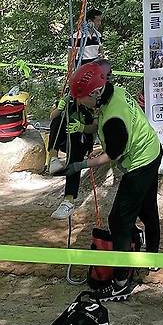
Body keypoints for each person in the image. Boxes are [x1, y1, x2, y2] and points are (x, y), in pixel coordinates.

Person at [61, 62, 162, 301]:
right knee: (146, 209)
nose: (79, 102)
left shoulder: (114, 118)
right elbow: (100, 121)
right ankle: (152, 256)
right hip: (151, 150)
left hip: (141, 162)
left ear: (95, 92)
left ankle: (120, 283)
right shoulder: (112, 93)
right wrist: (84, 127)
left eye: (81, 98)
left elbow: (111, 155)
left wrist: (80, 166)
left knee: (118, 220)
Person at [47, 59, 113, 220]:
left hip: (82, 140)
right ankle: (53, 157)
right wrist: (60, 108)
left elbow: (95, 127)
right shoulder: (70, 97)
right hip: (64, 138)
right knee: (58, 120)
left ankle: (68, 200)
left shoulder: (96, 100)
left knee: (75, 153)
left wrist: (81, 127)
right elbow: (52, 117)